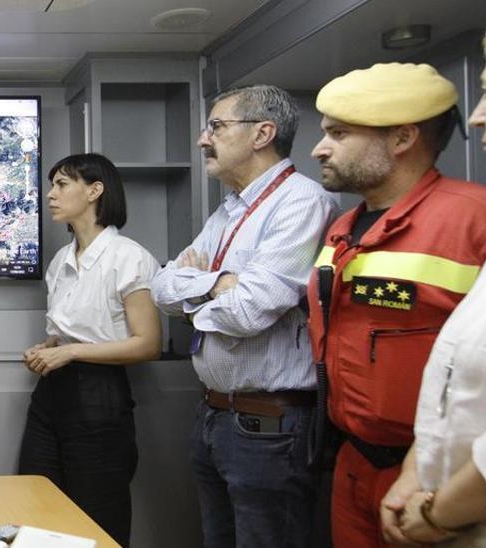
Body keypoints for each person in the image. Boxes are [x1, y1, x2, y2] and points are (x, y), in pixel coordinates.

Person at [308, 62, 486, 547]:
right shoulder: (344, 227)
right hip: (352, 462)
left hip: (439, 478)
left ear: (403, 138)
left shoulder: (473, 220)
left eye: (338, 133)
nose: (319, 148)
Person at [151, 84, 337, 548]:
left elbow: (248, 311)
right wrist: (219, 283)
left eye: (216, 126)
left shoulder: (301, 201)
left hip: (269, 428)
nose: (202, 139)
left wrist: (200, 291)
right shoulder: (229, 210)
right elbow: (161, 287)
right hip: (216, 414)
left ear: (262, 133)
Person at [18, 153, 160, 547]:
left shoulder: (128, 257)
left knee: (98, 520)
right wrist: (47, 348)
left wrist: (71, 353)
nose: (51, 195)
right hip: (51, 397)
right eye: (53, 185)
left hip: (99, 399)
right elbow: (69, 331)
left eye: (63, 184)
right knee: (36, 507)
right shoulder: (61, 260)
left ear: (95, 190)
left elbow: (147, 344)